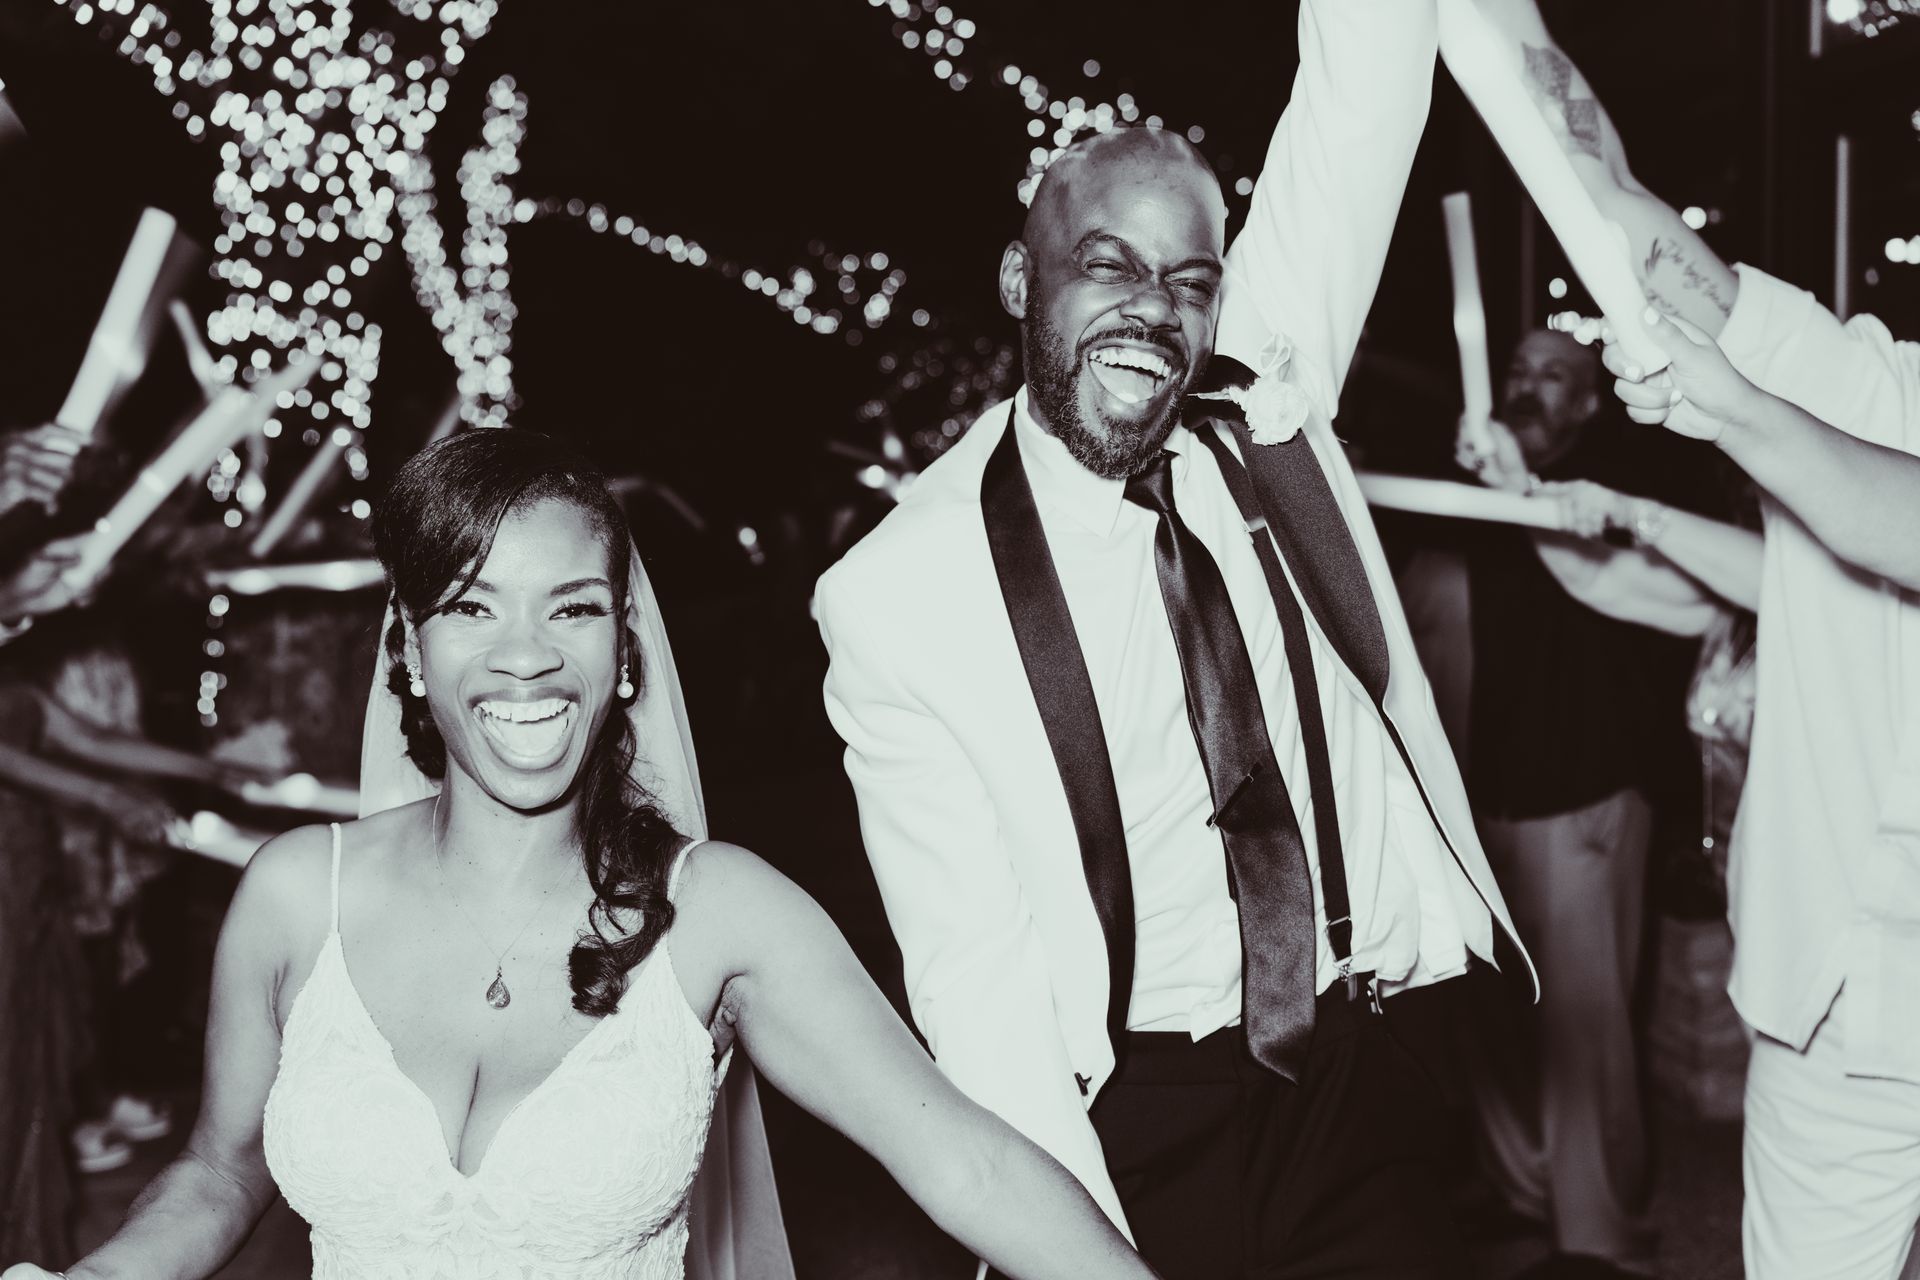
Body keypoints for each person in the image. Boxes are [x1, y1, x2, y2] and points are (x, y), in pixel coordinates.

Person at [3, 428, 1163, 1280]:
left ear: (624, 650)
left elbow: (972, 1166)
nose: (526, 658)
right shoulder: (298, 894)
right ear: (407, 648)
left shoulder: (722, 914)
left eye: (570, 609)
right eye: (472, 607)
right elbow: (218, 1168)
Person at [816, 4, 1536, 1276]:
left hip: (1358, 1077)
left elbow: (1364, 93)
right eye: (1108, 263)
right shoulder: (901, 596)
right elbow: (980, 997)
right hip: (1136, 1121)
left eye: (1191, 279)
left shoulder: (1261, 395)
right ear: (1018, 279)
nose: (1155, 310)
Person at [1465, 0, 1920, 1272]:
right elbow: (1622, 208)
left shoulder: (1840, 417)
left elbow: (1896, 523)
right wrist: (1493, 24)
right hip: (1826, 1010)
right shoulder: (1880, 381)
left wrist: (1734, 414)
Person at [1403, 329, 1704, 1275]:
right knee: (1498, 1027)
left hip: (1583, 796)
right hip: (1483, 797)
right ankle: (1527, 1196)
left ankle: (1600, 1235)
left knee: (1586, 1034)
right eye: (1520, 375)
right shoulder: (1465, 488)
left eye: (1555, 379)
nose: (1530, 392)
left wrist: (1512, 491)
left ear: (1587, 404)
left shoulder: (1610, 487)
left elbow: (1620, 589)